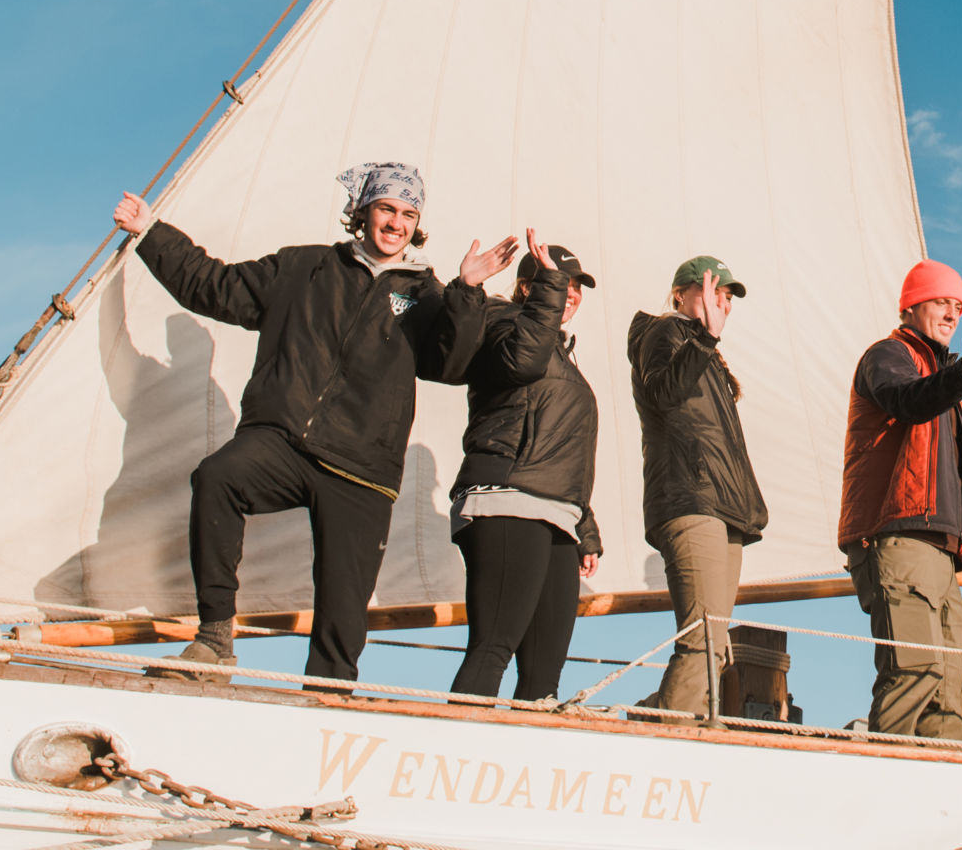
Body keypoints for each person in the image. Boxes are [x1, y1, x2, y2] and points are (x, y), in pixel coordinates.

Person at [114, 164, 518, 683]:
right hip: (283, 440)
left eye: (408, 214)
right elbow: (214, 286)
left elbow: (450, 364)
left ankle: (327, 694)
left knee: (342, 609)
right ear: (364, 213)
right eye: (387, 209)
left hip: (362, 468)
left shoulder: (425, 295)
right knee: (218, 477)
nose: (395, 222)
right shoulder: (303, 268)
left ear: (416, 226)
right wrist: (152, 232)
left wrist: (467, 290)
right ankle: (215, 640)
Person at [838, 259, 962, 739]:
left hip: (940, 551)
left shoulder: (943, 375)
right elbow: (907, 401)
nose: (952, 312)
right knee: (915, 669)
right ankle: (885, 781)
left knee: (954, 684)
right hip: (900, 536)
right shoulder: (888, 355)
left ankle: (947, 790)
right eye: (940, 302)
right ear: (910, 307)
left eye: (958, 305)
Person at [448, 237, 603, 702]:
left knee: (543, 674)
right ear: (525, 288)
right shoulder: (500, 321)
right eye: (556, 282)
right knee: (493, 646)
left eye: (575, 285)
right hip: (506, 497)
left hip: (557, 514)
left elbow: (563, 448)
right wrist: (547, 293)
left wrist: (586, 526)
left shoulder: (560, 355)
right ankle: (456, 744)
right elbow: (522, 361)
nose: (569, 292)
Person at [628, 255, 765, 717]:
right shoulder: (662, 332)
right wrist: (706, 336)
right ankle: (669, 734)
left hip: (722, 506)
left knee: (716, 645)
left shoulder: (703, 350)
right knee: (703, 639)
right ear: (680, 295)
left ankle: (673, 720)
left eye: (726, 294)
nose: (721, 299)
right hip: (689, 499)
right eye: (710, 290)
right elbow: (664, 394)